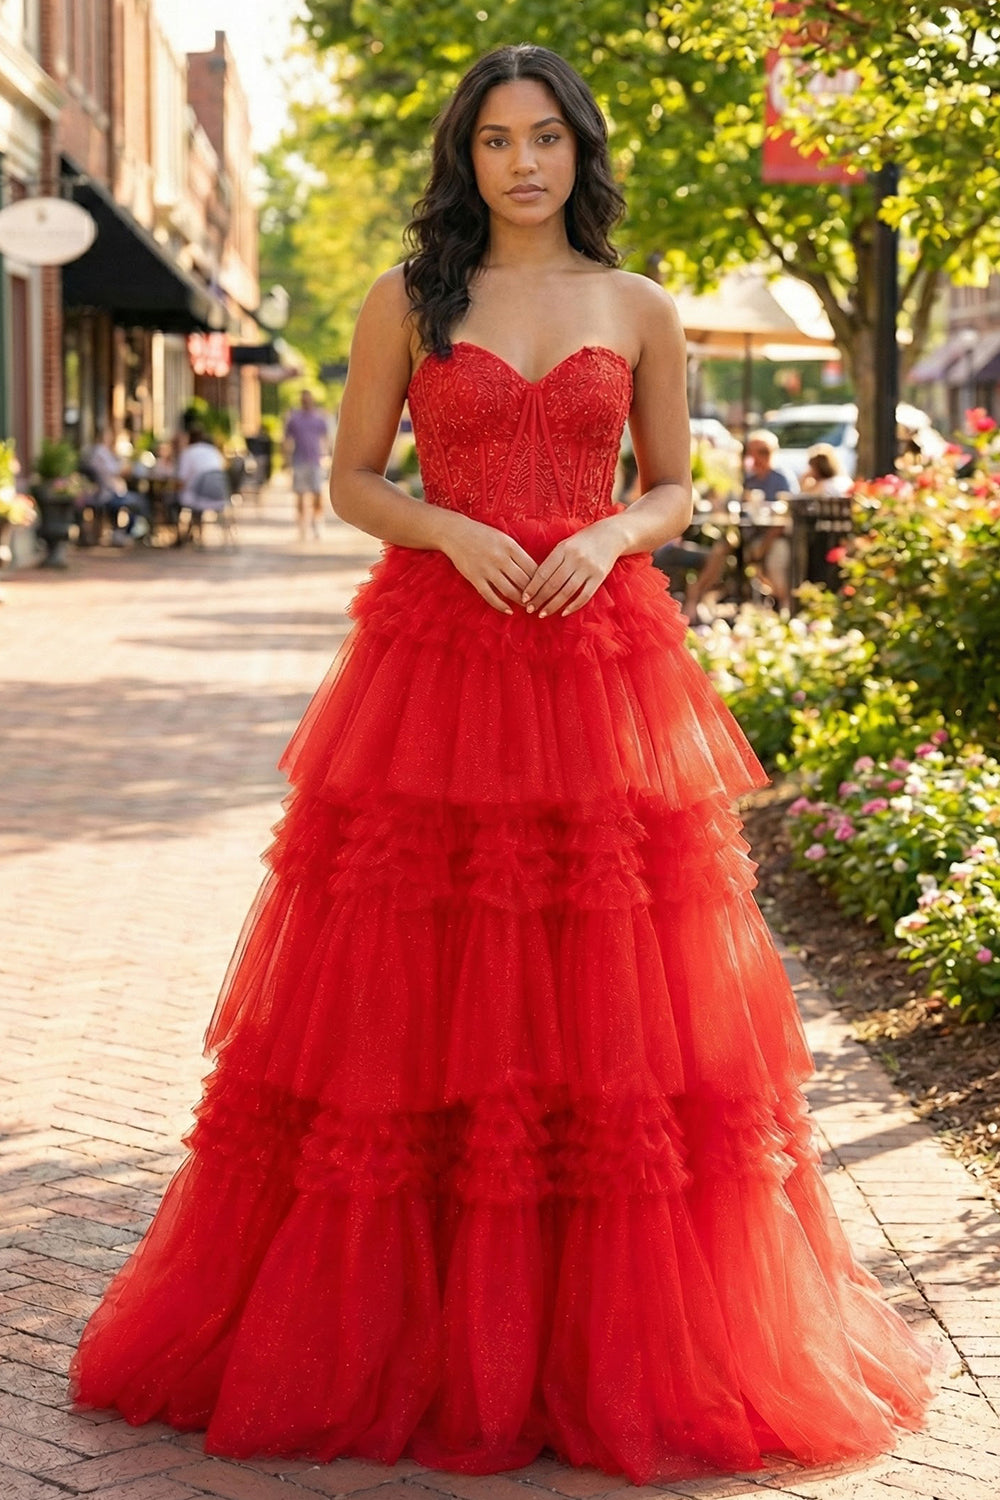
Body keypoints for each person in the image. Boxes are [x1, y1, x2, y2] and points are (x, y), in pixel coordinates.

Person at [70, 44, 939, 1485]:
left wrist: (603, 534)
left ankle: (605, 1347)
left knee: (616, 997)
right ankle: (425, 1344)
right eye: (494, 140)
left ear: (578, 151)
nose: (522, 162)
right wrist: (446, 527)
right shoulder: (410, 302)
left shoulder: (639, 304)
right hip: (439, 660)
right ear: (463, 158)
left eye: (544, 137)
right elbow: (353, 475)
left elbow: (669, 481)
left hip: (600, 666)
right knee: (419, 988)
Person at [80, 426, 151, 545]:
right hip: (107, 494)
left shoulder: (97, 451)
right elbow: (116, 470)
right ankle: (127, 533)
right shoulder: (101, 452)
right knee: (139, 502)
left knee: (136, 500)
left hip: (108, 492)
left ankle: (123, 533)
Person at [284, 389, 330, 539]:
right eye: (303, 399)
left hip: (316, 461)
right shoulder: (294, 419)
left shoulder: (319, 418)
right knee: (300, 495)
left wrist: (328, 457)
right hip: (299, 461)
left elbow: (326, 439)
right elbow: (286, 440)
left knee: (317, 494)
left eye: (308, 399)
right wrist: (285, 461)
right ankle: (302, 526)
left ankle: (317, 523)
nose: (306, 401)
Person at [175, 424, 227, 545]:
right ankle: (193, 533)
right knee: (193, 498)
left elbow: (181, 479)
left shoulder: (188, 453)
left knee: (174, 501)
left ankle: (181, 536)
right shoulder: (213, 451)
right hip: (220, 495)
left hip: (199, 495)